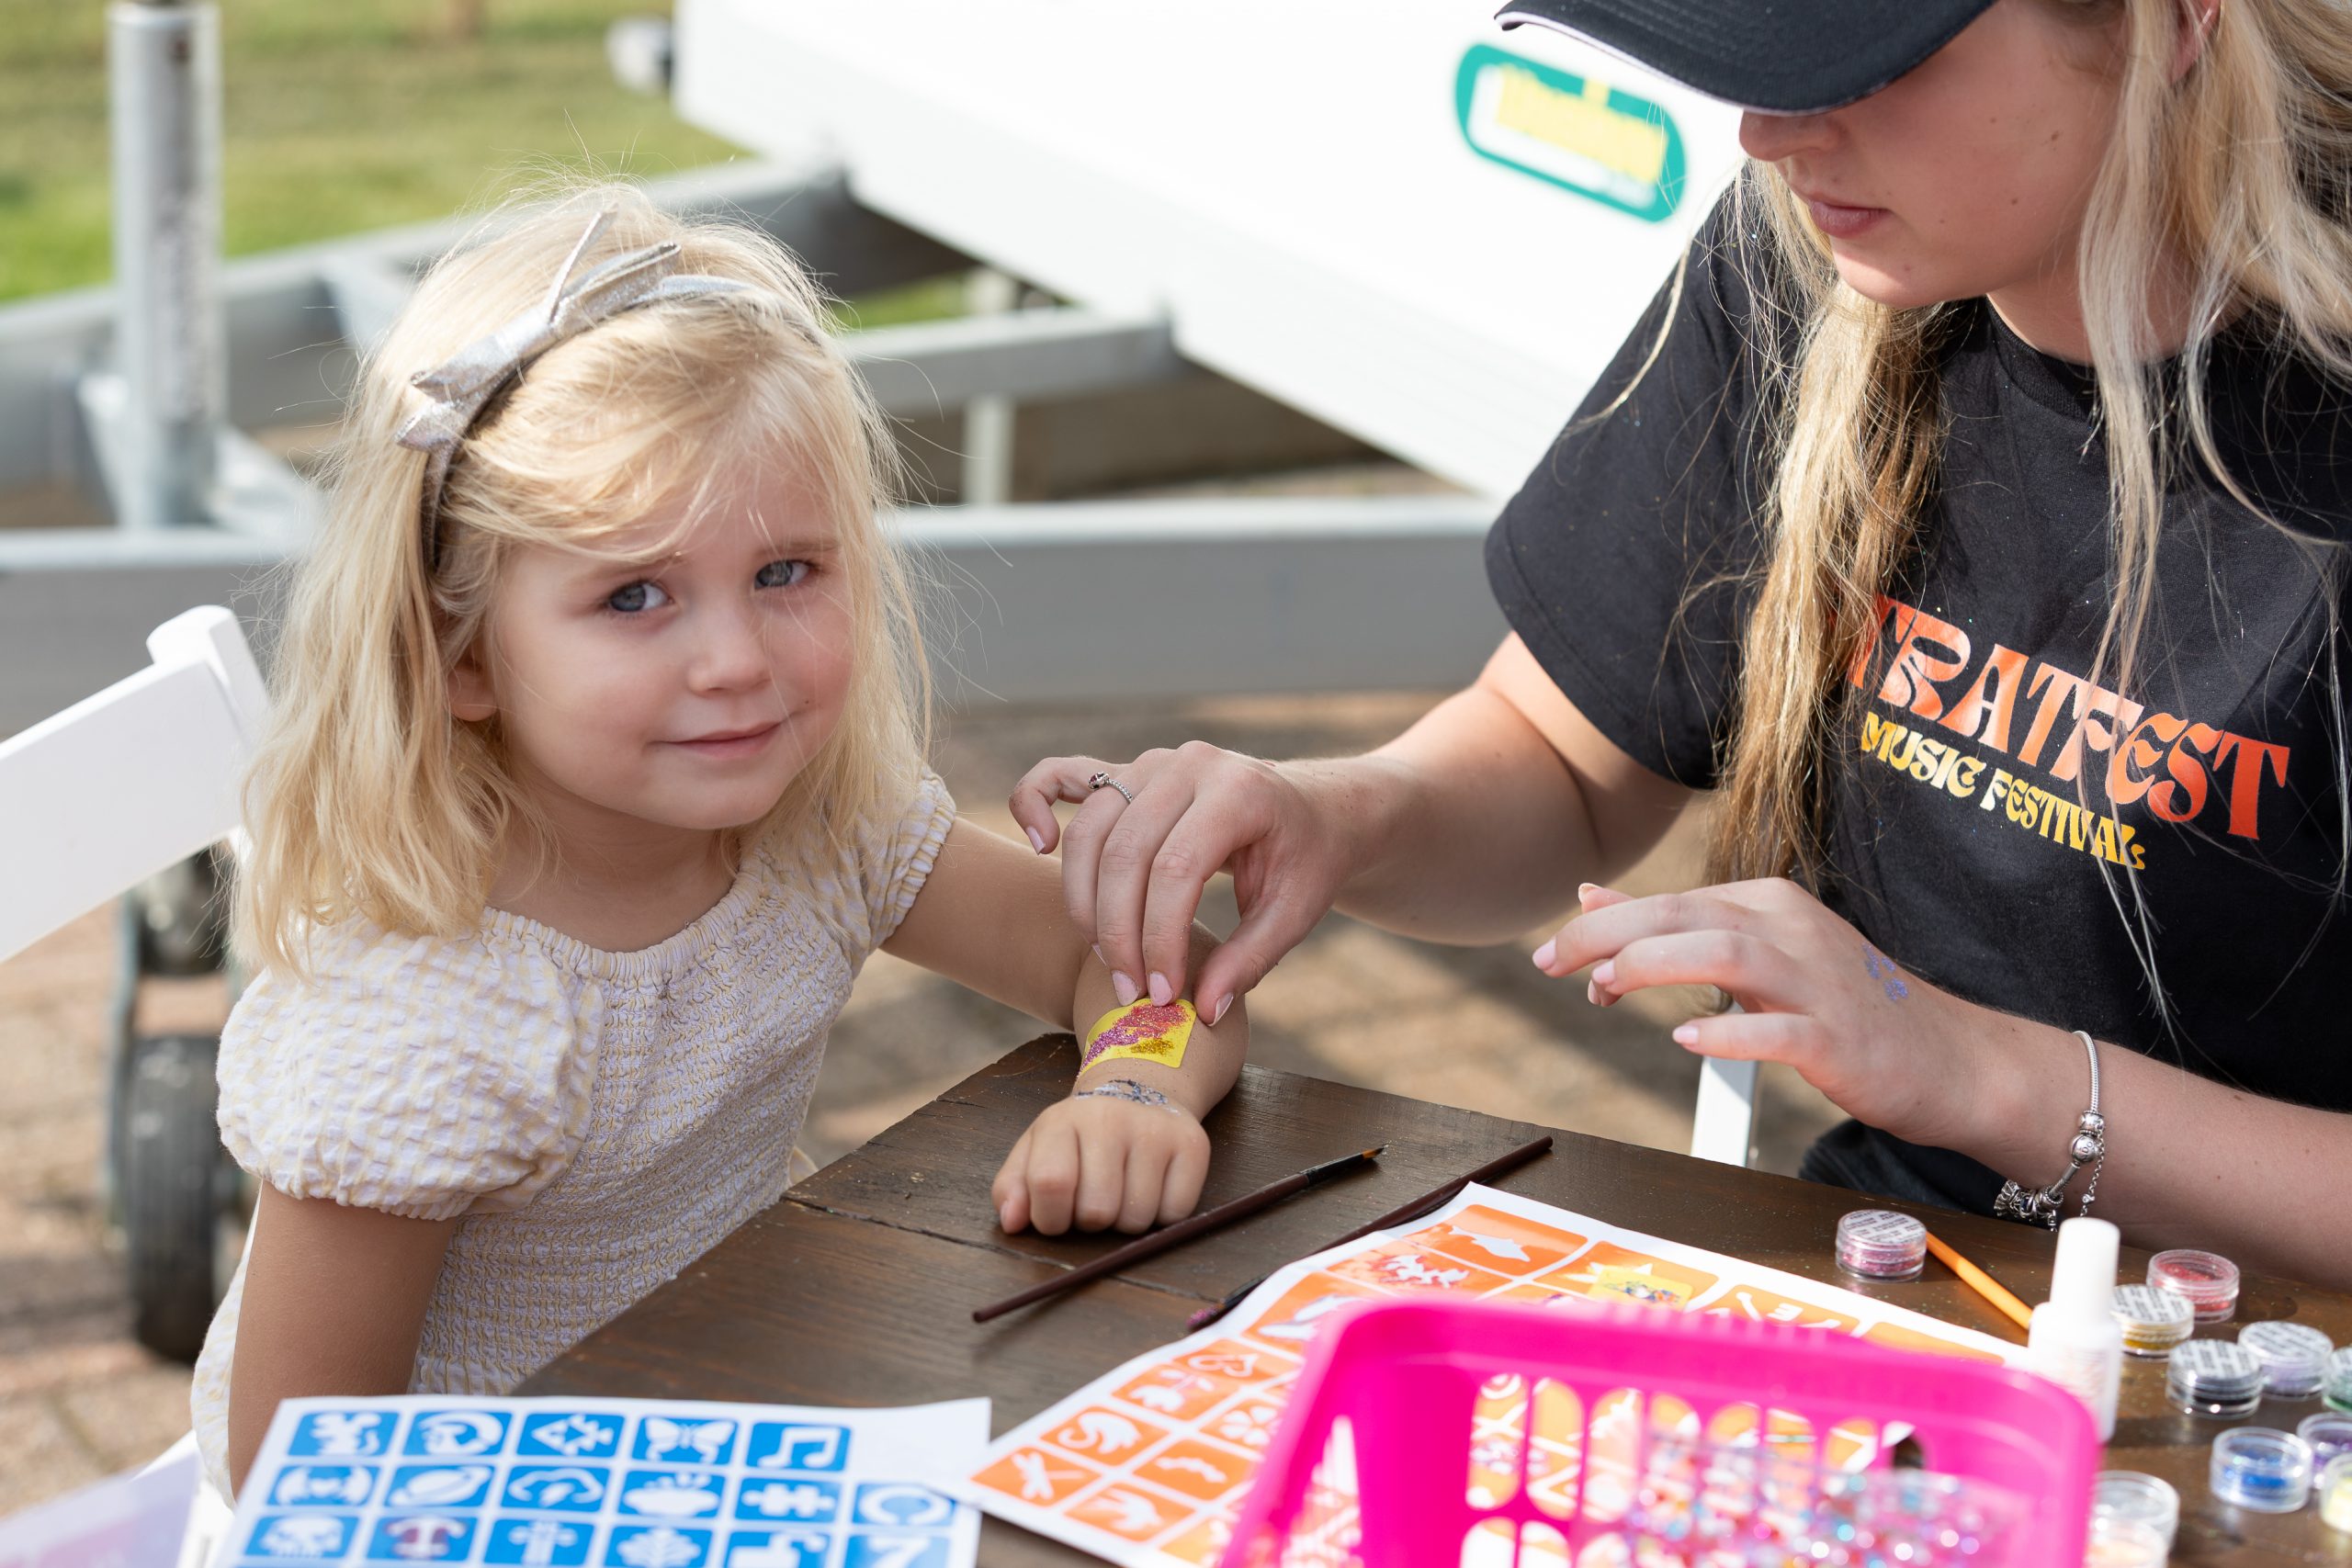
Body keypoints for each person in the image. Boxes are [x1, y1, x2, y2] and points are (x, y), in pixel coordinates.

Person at [1012, 0, 2352, 1290]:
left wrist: (1980, 1074)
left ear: (2175, 21)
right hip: (1894, 1283)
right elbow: (1562, 753)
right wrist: (1331, 815)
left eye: (1864, 54)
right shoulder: (1821, 253)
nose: (1769, 135)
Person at [192, 186, 1245, 1496]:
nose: (736, 662)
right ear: (460, 652)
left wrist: (1135, 1090)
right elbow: (302, 1481)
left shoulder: (820, 828)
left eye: (786, 573)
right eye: (635, 594)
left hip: (740, 1410)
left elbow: (1148, 967)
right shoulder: (424, 1018)